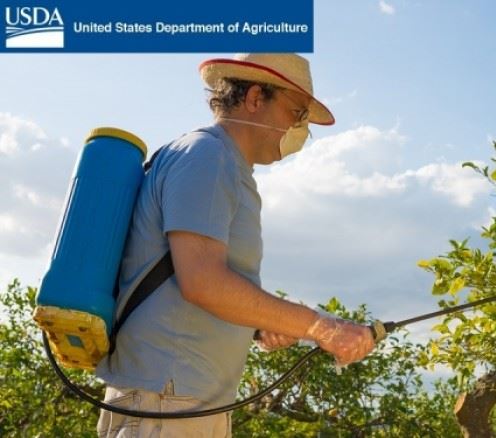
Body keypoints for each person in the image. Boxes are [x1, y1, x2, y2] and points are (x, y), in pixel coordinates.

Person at [95, 53, 376, 437]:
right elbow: (203, 281)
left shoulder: (220, 162)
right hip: (166, 401)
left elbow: (197, 282)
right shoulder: (208, 156)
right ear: (256, 97)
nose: (297, 129)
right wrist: (321, 327)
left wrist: (260, 326)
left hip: (185, 401)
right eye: (295, 113)